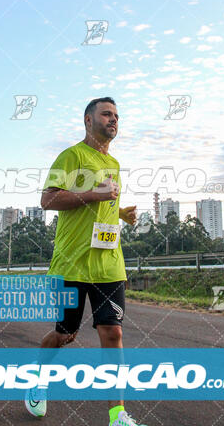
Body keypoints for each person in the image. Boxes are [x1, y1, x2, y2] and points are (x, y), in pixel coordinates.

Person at [25, 97, 147, 426]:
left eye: (117, 116)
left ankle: (117, 414)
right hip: (71, 264)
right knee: (66, 334)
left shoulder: (115, 164)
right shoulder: (72, 156)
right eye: (107, 114)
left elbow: (101, 207)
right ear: (88, 120)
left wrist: (121, 212)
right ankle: (38, 380)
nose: (114, 120)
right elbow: (48, 199)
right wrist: (94, 193)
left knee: (112, 333)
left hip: (109, 264)